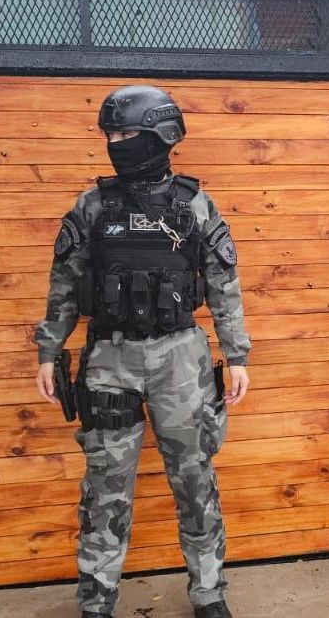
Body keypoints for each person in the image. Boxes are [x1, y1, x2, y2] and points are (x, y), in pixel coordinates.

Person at [33, 85, 251, 618]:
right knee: (105, 488)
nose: (117, 143)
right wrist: (49, 350)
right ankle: (97, 602)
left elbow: (223, 284)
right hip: (110, 359)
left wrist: (237, 355)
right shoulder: (92, 206)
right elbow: (65, 283)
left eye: (128, 133)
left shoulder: (194, 204)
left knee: (195, 480)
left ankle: (209, 594)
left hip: (182, 359)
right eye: (112, 135)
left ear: (162, 135)